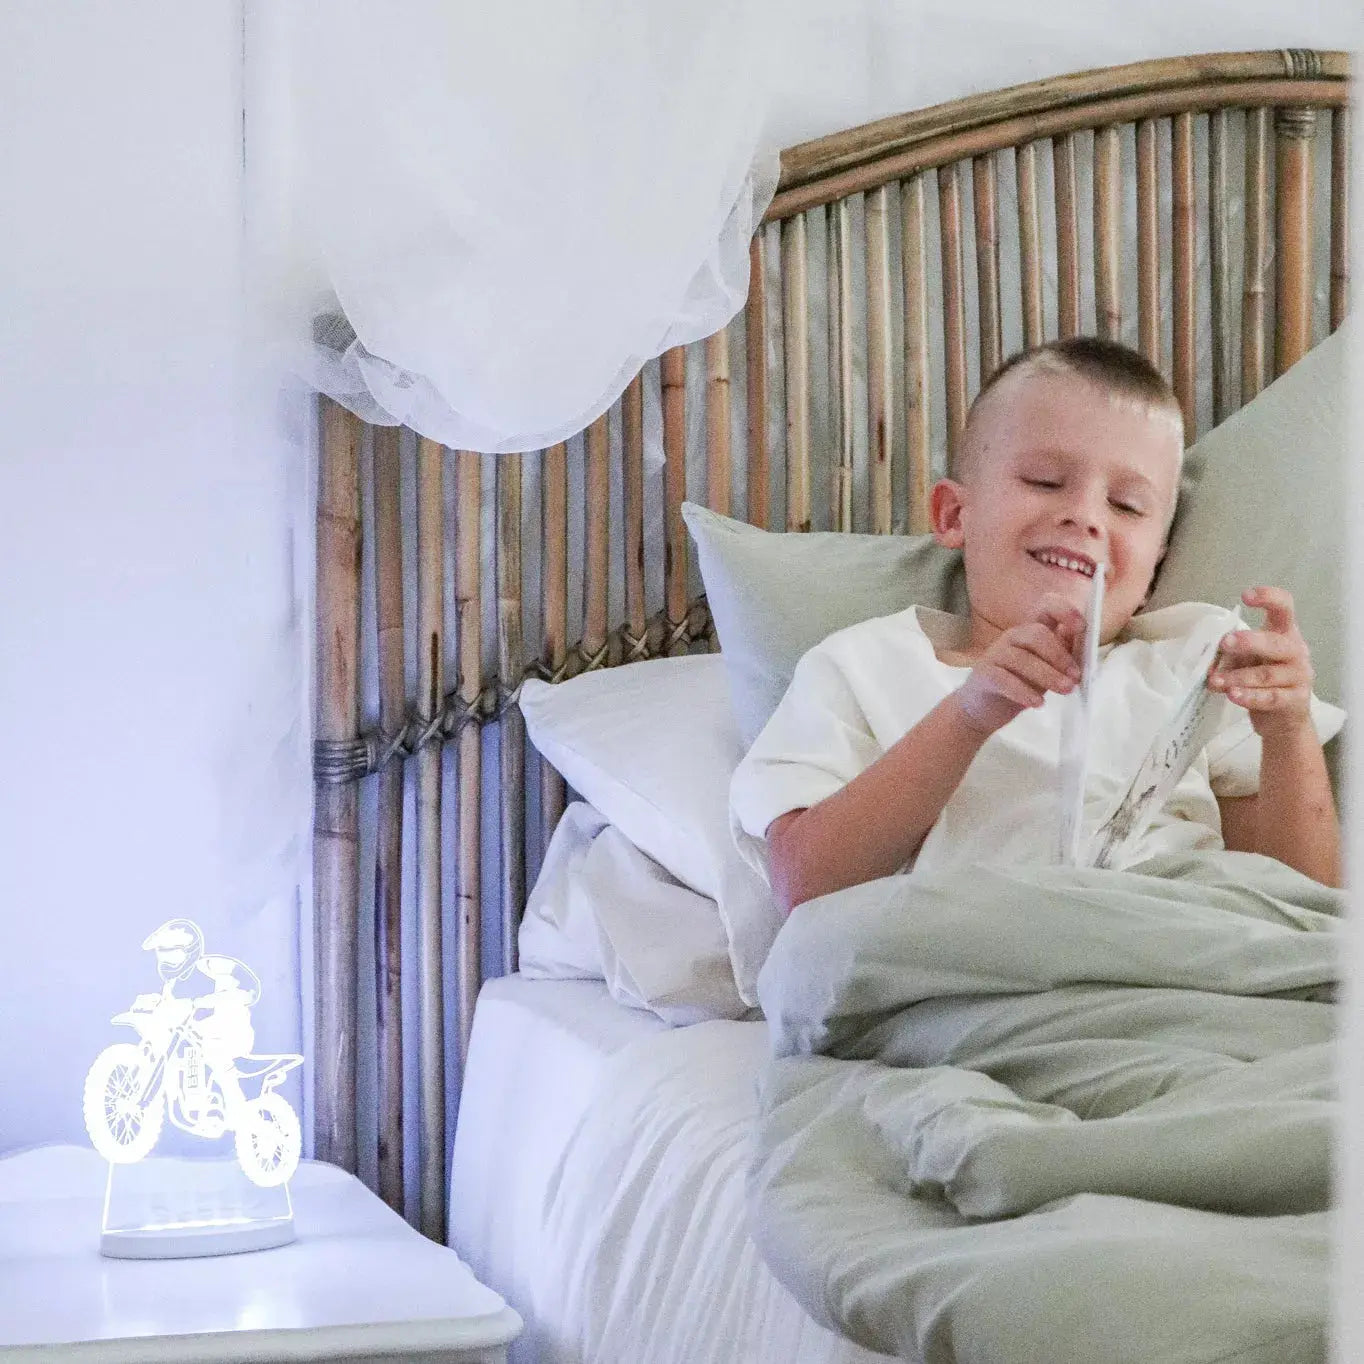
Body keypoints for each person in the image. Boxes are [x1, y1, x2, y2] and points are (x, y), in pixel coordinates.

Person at [729, 337, 1343, 916]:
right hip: (972, 968)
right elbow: (803, 887)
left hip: (1176, 956)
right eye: (1044, 482)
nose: (1084, 516)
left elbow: (1305, 908)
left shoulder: (1198, 660)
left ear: (1156, 561)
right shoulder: (865, 665)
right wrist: (970, 715)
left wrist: (1286, 733)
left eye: (1127, 505)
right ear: (954, 515)